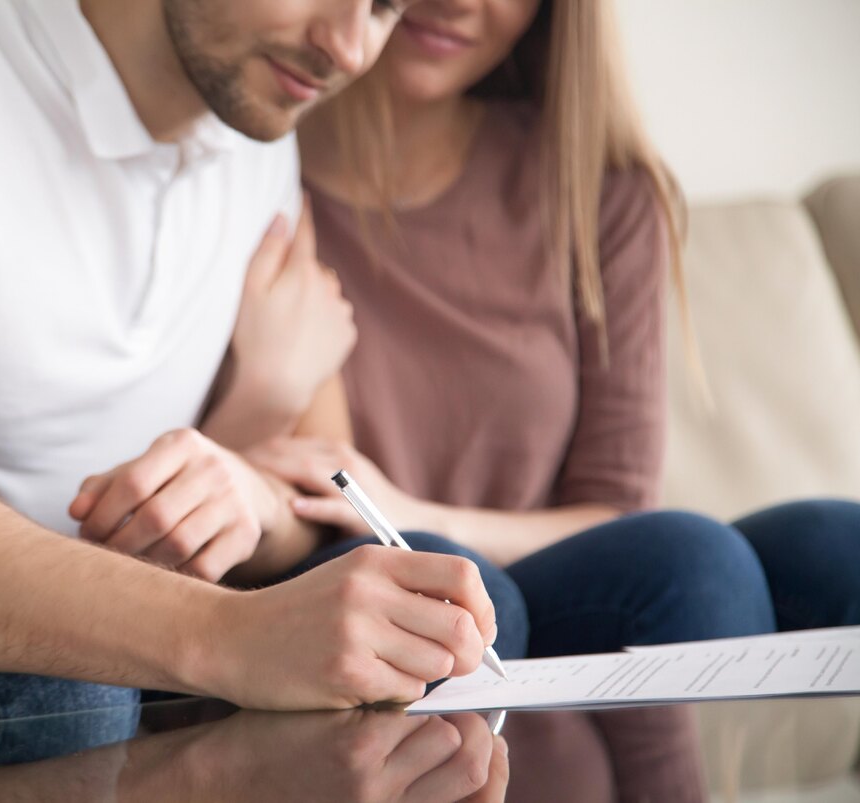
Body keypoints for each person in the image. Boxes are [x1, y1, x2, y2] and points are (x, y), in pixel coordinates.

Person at [0, 0, 512, 759]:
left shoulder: (255, 133)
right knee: (63, 690)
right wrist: (225, 633)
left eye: (385, 6)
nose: (351, 48)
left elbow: (321, 489)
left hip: (103, 675)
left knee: (444, 596)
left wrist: (248, 486)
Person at [201, 0, 855, 798]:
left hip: (559, 681)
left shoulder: (600, 191)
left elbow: (628, 532)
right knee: (463, 583)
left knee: (776, 553)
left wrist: (404, 504)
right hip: (367, 686)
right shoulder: (245, 180)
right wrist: (267, 392)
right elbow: (278, 505)